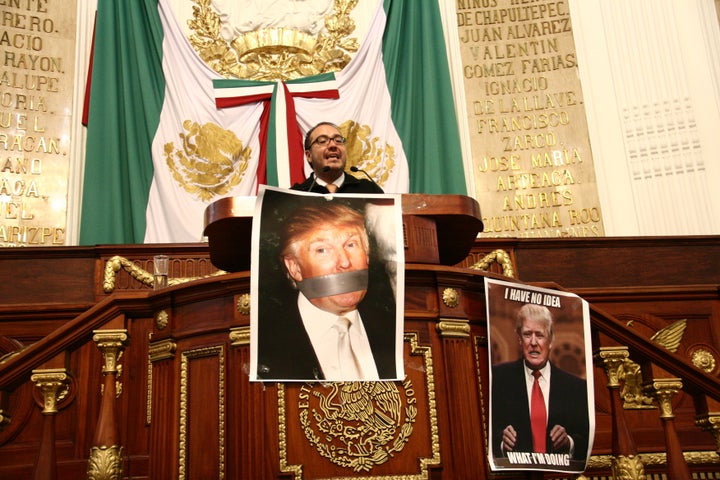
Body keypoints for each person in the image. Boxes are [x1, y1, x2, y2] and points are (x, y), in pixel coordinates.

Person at [255, 200, 397, 381]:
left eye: (351, 244)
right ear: (294, 267)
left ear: (367, 255)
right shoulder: (264, 344)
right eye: (322, 250)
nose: (344, 262)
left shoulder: (394, 330)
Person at [491, 303, 589, 461]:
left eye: (540, 335)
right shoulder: (498, 378)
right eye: (527, 334)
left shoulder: (576, 387)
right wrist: (502, 444)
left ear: (550, 341)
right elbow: (487, 433)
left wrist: (568, 443)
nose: (534, 342)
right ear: (519, 340)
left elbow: (586, 438)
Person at [290, 121, 384, 194]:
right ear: (309, 155)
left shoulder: (370, 190)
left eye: (338, 140)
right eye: (322, 141)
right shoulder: (295, 195)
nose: (333, 145)